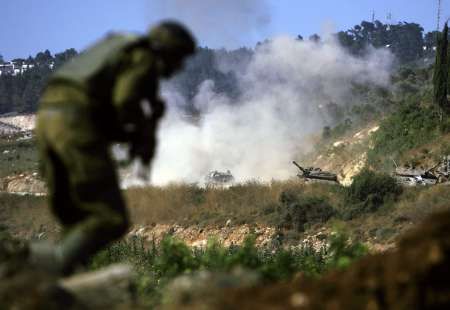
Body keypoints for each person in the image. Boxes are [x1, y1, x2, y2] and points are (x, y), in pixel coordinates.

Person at [32, 21, 196, 275]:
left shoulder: (120, 47)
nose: (179, 67)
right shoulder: (143, 57)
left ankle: (43, 273)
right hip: (75, 122)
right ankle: (45, 276)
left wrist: (131, 133)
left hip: (46, 117)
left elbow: (107, 107)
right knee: (110, 218)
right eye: (179, 59)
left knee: (76, 215)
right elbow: (125, 101)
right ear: (168, 51)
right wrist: (139, 132)